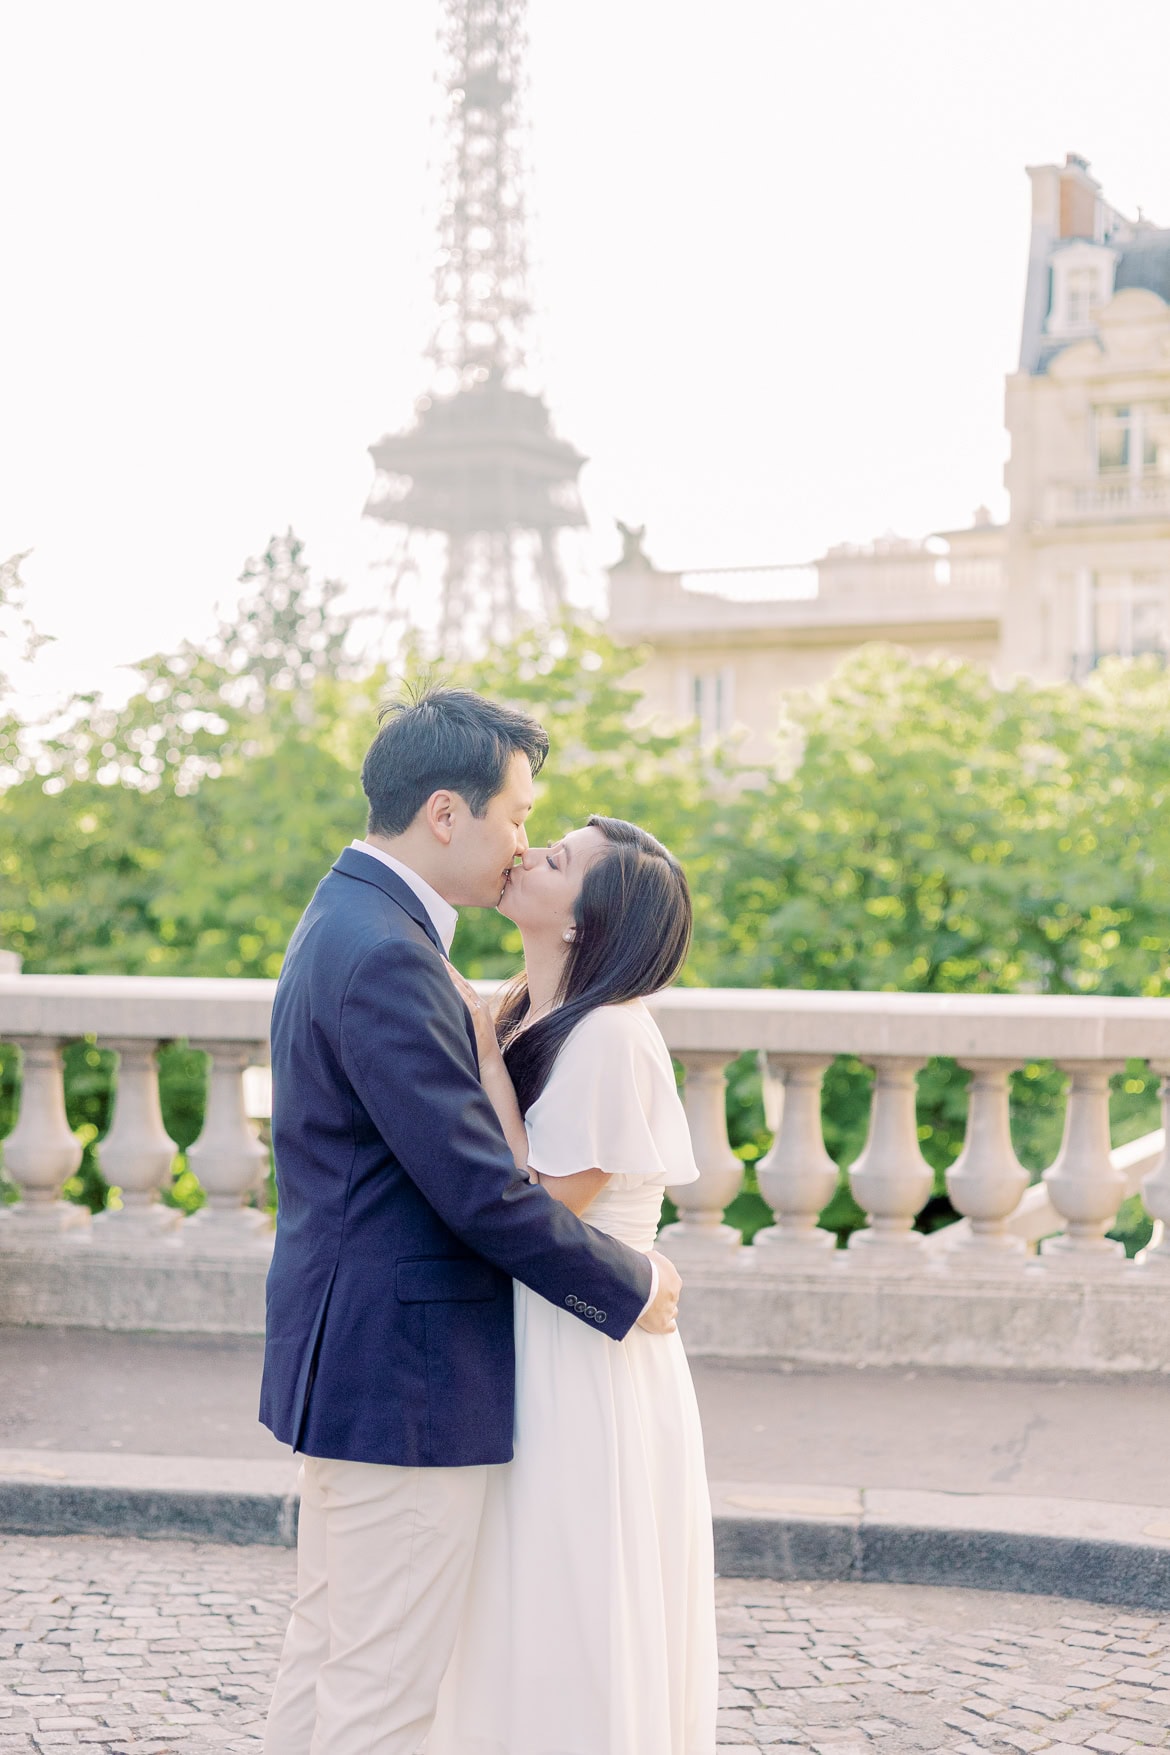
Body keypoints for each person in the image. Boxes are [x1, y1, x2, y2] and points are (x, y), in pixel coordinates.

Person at [259, 688, 683, 1755]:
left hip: (364, 1363)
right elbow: (481, 1192)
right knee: (380, 1693)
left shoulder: (356, 920)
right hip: (404, 1376)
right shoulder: (390, 952)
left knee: (332, 1654)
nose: (522, 842)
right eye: (518, 815)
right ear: (446, 814)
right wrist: (634, 1281)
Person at [429, 815, 717, 1755]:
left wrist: (481, 1051)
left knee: (569, 1592)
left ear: (583, 922)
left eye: (555, 860)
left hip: (584, 1351)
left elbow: (533, 1205)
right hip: (536, 1333)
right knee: (517, 1596)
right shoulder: (534, 1011)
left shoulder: (609, 1035)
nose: (525, 852)